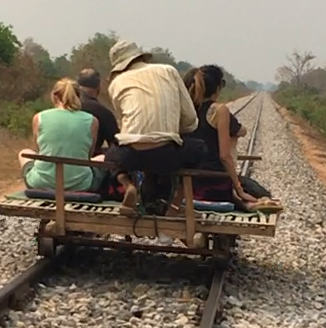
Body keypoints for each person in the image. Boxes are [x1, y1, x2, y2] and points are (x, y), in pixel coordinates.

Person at [103, 40, 207, 208]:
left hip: (131, 155)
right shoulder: (168, 71)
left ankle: (128, 185)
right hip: (166, 154)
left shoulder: (116, 83)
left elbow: (125, 125)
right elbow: (190, 121)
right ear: (141, 57)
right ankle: (176, 203)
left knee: (110, 154)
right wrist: (170, 131)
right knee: (200, 148)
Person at [183, 66, 279, 208]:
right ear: (217, 88)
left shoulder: (185, 109)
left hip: (187, 184)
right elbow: (224, 156)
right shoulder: (218, 110)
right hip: (215, 184)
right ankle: (241, 199)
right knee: (260, 193)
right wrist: (238, 188)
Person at [20, 79, 102, 194]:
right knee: (101, 158)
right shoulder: (92, 121)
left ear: (54, 96)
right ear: (79, 97)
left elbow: (40, 152)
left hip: (41, 183)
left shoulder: (39, 117)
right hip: (81, 184)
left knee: (24, 152)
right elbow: (88, 156)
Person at [76, 67, 119, 149]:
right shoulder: (103, 113)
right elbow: (115, 143)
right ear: (99, 86)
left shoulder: (66, 106)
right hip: (92, 155)